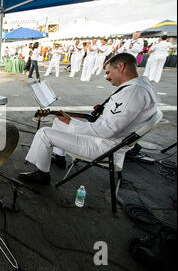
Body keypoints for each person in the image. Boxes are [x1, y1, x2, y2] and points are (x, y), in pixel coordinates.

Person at [19, 53, 158, 185]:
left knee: (43, 133)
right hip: (111, 139)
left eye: (108, 72)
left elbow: (106, 131)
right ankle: (59, 157)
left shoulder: (133, 92)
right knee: (58, 122)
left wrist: (71, 122)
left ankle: (42, 174)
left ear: (121, 66)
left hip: (105, 146)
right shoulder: (139, 86)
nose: (107, 77)